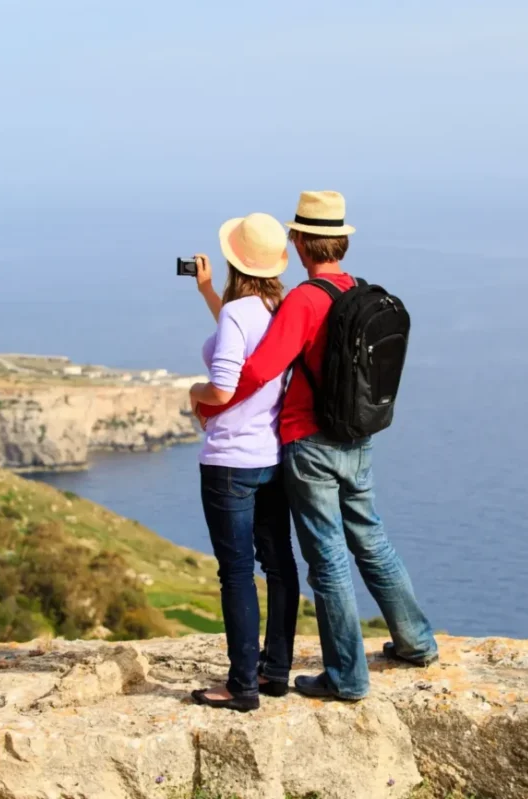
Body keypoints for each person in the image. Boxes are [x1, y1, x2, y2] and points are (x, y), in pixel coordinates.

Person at [197, 191, 438, 701]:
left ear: (302, 243)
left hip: (310, 444)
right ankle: (416, 642)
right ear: (339, 243)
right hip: (357, 437)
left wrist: (211, 405)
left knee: (326, 560)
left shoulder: (305, 300)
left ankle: (347, 677)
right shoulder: (354, 290)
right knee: (371, 541)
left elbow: (260, 369)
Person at [187, 212, 300, 712]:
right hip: (272, 457)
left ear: (235, 259)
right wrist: (208, 292)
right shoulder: (279, 309)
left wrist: (194, 391)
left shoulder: (239, 315)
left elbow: (225, 384)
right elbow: (247, 337)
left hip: (229, 460)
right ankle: (275, 672)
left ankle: (241, 685)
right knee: (278, 564)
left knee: (235, 573)